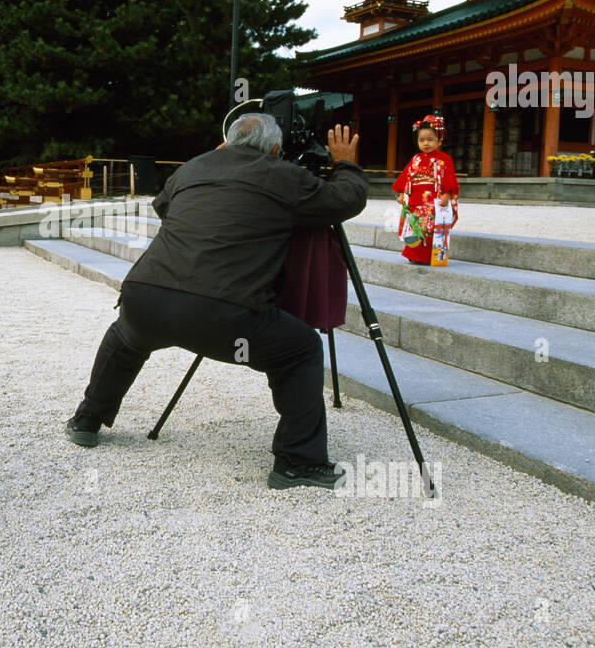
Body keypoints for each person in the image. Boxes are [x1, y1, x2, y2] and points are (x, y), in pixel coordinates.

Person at [64, 113, 369, 489]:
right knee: (301, 348)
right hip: (223, 317)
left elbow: (165, 207)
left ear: (225, 141)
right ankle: (297, 461)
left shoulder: (194, 166)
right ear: (275, 150)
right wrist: (345, 165)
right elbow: (344, 200)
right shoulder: (284, 175)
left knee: (125, 339)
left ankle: (86, 420)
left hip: (146, 297)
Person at [392, 114, 459, 266]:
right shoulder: (416, 159)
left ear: (439, 140)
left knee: (429, 228)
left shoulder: (444, 159)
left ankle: (428, 256)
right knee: (414, 227)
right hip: (416, 199)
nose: (426, 143)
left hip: (433, 200)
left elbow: (449, 179)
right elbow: (406, 177)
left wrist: (447, 194)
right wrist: (402, 193)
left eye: (430, 139)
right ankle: (413, 254)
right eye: (421, 140)